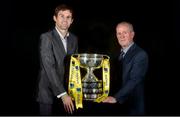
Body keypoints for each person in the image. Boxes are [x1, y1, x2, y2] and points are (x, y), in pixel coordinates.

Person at [35, 4, 78, 115]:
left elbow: (74, 66)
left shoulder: (74, 39)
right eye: (61, 16)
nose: (65, 19)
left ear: (72, 20)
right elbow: (49, 67)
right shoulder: (46, 37)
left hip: (68, 93)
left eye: (68, 17)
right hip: (48, 93)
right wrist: (63, 94)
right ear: (55, 18)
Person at [103, 21, 149, 115]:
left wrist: (115, 98)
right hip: (118, 107)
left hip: (132, 108)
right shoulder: (118, 55)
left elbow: (134, 80)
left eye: (125, 32)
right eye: (119, 33)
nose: (121, 36)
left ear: (132, 34)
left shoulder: (140, 54)